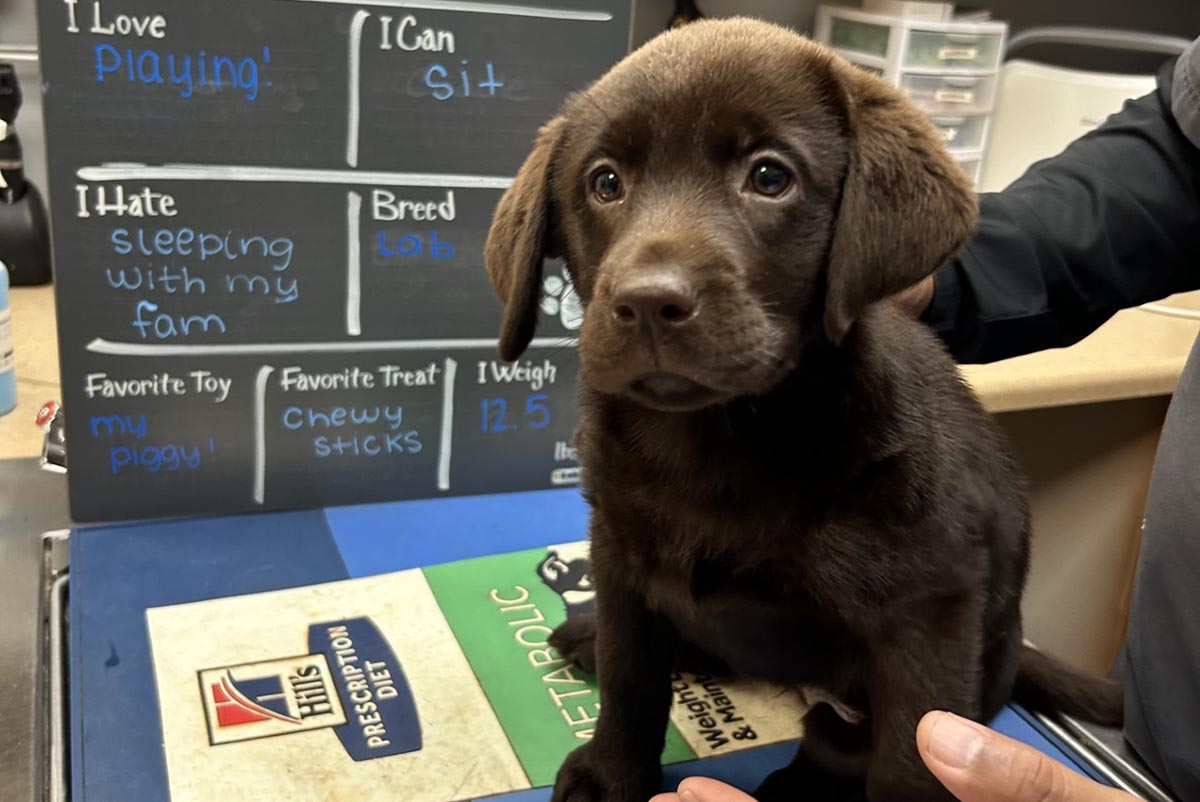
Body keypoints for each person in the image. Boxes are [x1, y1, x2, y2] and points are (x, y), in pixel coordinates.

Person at [654, 31, 1200, 802]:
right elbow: (1177, 160)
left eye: (768, 176)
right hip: (1154, 727)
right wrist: (938, 272)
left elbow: (937, 598)